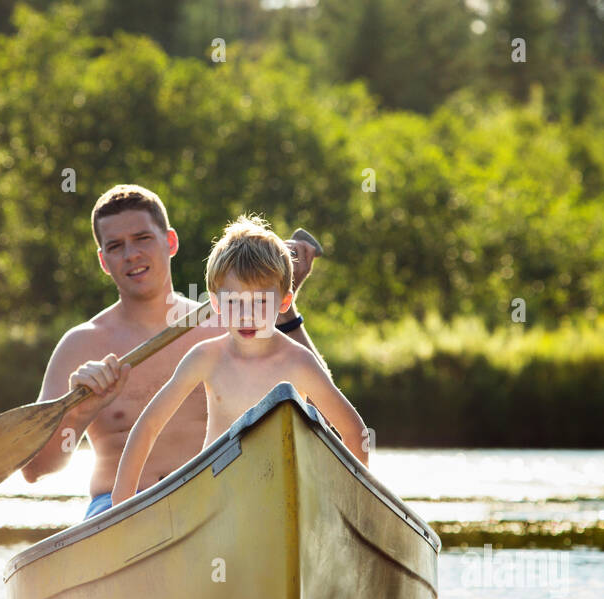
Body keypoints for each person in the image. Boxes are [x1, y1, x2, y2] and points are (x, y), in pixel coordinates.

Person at [20, 185, 325, 519]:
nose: (131, 254)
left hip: (216, 499)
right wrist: (80, 413)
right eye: (115, 246)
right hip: (117, 507)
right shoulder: (79, 345)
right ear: (103, 261)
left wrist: (285, 307)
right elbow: (35, 470)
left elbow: (318, 414)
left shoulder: (231, 324)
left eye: (142, 238)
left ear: (171, 242)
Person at [111, 214, 368, 507]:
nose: (247, 315)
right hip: (217, 493)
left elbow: (354, 433)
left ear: (284, 302)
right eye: (234, 302)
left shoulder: (299, 362)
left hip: (283, 496)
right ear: (217, 302)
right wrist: (121, 506)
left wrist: (351, 504)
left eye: (260, 302)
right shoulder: (206, 358)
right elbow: (147, 427)